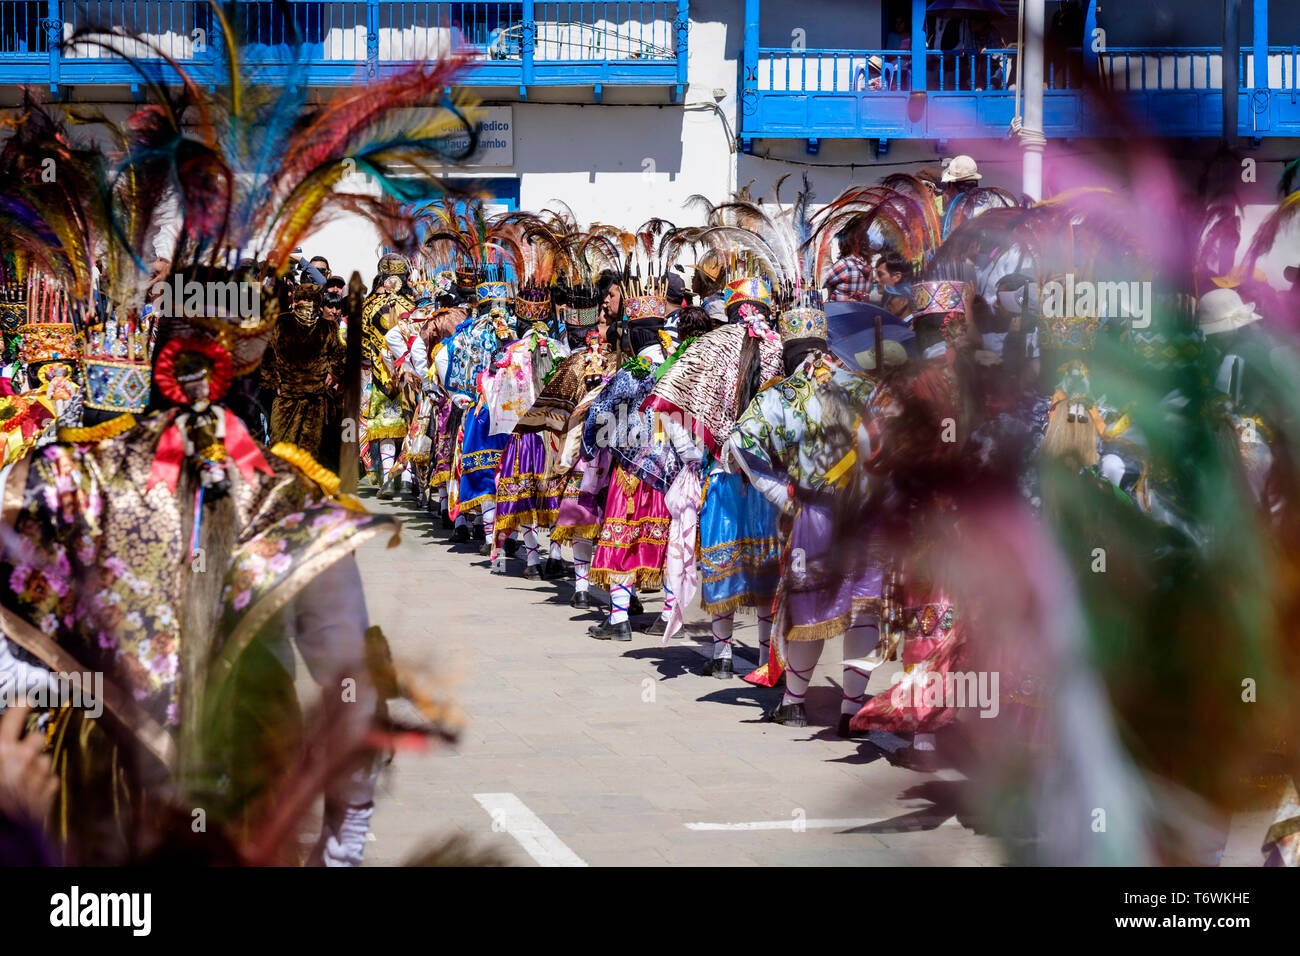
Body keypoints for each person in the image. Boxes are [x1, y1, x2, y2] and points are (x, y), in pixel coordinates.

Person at [824, 222, 873, 302]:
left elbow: (822, 281)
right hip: (858, 311)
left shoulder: (845, 265)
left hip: (840, 310)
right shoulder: (868, 267)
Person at [874, 252, 915, 318]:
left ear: (897, 277)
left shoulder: (909, 324)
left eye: (880, 274)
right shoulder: (885, 298)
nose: (875, 279)